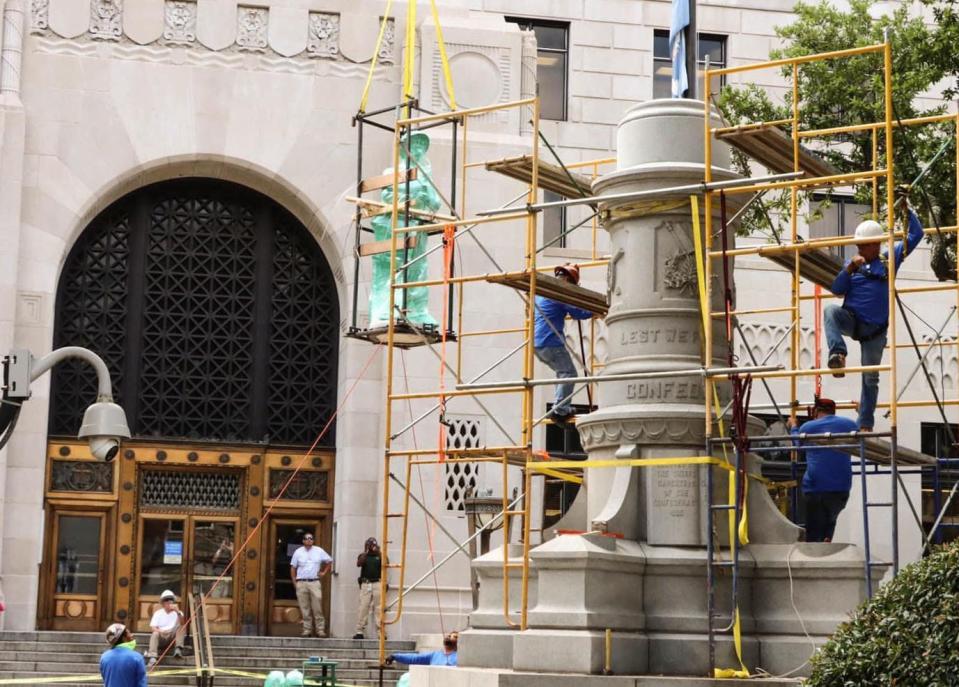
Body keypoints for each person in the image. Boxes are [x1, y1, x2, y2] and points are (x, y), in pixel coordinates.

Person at [825, 200, 925, 431]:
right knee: (830, 310)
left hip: (875, 332)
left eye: (864, 246)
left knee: (870, 378)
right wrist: (848, 269)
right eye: (858, 246)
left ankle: (865, 424)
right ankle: (838, 355)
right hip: (852, 320)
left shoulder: (889, 259)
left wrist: (907, 210)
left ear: (876, 244)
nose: (859, 250)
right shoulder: (853, 265)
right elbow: (837, 290)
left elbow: (916, 235)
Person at [787, 398, 858, 542]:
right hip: (841, 489)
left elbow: (797, 443)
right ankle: (827, 539)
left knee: (814, 534)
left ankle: (816, 556)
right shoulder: (849, 424)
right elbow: (863, 431)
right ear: (834, 411)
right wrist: (861, 411)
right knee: (830, 523)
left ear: (816, 411)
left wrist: (794, 426)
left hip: (816, 488)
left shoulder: (808, 427)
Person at [534, 264, 594, 422]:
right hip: (551, 342)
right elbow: (578, 312)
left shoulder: (542, 293)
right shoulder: (558, 293)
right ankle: (560, 409)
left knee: (562, 373)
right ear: (567, 279)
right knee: (569, 374)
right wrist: (594, 311)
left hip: (538, 343)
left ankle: (560, 406)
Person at [290, 531, 333, 637]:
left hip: (314, 582)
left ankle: (320, 630)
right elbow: (293, 568)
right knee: (304, 608)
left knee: (317, 607)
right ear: (303, 541)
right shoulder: (298, 552)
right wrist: (295, 582)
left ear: (313, 540)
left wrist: (323, 572)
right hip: (301, 582)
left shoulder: (319, 551)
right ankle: (307, 630)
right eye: (307, 538)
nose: (309, 540)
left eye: (311, 538)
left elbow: (329, 561)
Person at [100, 623, 147, 687]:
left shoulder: (104, 657)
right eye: (129, 633)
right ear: (124, 638)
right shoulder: (137, 657)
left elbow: (105, 680)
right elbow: (141, 684)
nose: (132, 635)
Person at [352, 537, 382, 640]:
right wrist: (366, 551)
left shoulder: (380, 555)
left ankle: (381, 632)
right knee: (363, 607)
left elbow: (385, 565)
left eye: (373, 545)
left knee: (379, 608)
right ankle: (360, 630)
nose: (372, 547)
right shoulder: (363, 556)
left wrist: (379, 552)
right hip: (366, 583)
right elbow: (359, 564)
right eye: (370, 545)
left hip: (377, 583)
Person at [146, 589, 185, 667]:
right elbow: (153, 627)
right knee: (155, 633)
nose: (169, 602)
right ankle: (152, 656)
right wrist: (161, 631)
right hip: (162, 635)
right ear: (163, 603)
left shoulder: (178, 613)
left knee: (180, 627)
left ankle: (178, 649)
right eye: (167, 600)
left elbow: (182, 623)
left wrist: (177, 612)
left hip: (172, 635)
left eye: (171, 600)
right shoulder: (158, 613)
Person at [386, 631, 458, 667]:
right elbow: (414, 658)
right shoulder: (435, 655)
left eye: (454, 636)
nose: (449, 636)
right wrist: (395, 656)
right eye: (449, 635)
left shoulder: (460, 657)